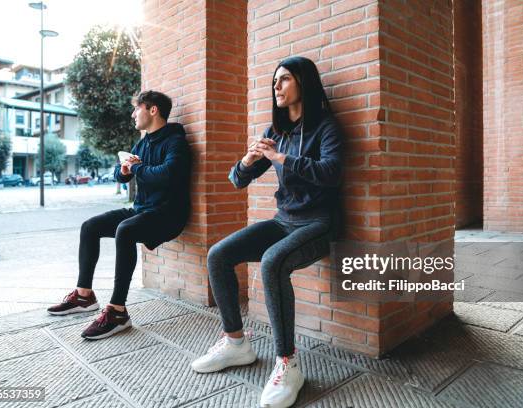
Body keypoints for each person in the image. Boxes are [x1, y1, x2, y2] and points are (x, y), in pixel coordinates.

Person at [190, 56, 342, 408]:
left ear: (304, 83)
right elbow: (237, 181)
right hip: (283, 220)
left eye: (284, 79)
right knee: (219, 254)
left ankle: (287, 363)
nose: (276, 86)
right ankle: (236, 343)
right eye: (275, 80)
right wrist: (245, 162)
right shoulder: (275, 132)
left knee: (273, 262)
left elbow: (332, 172)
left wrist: (283, 159)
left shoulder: (326, 127)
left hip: (319, 222)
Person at [47, 90, 191, 340]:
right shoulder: (142, 143)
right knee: (90, 226)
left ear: (152, 110)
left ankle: (117, 312)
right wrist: (124, 171)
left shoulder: (175, 141)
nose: (133, 114)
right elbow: (120, 174)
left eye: (137, 108)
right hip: (142, 210)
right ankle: (84, 296)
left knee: (125, 230)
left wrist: (136, 166)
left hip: (168, 215)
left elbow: (167, 175)